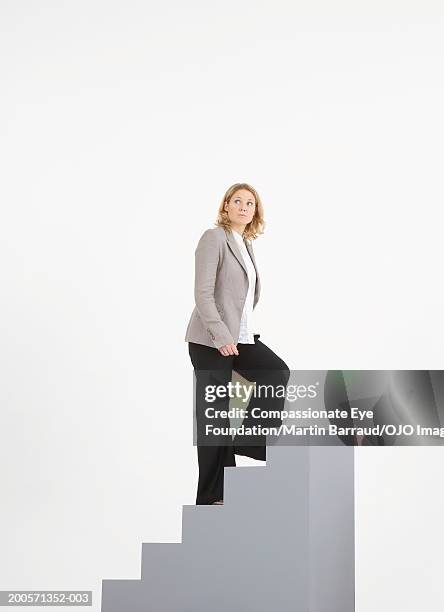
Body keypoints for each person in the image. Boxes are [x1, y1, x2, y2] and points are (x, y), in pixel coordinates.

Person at [185, 182, 290, 505]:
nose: (244, 207)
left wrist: (238, 334)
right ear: (226, 206)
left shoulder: (245, 243)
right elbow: (203, 293)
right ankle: (212, 496)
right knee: (213, 417)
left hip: (241, 338)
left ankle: (246, 441)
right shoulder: (213, 238)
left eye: (250, 203)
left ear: (255, 211)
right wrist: (221, 335)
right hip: (209, 341)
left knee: (276, 372)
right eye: (237, 201)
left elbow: (242, 299)